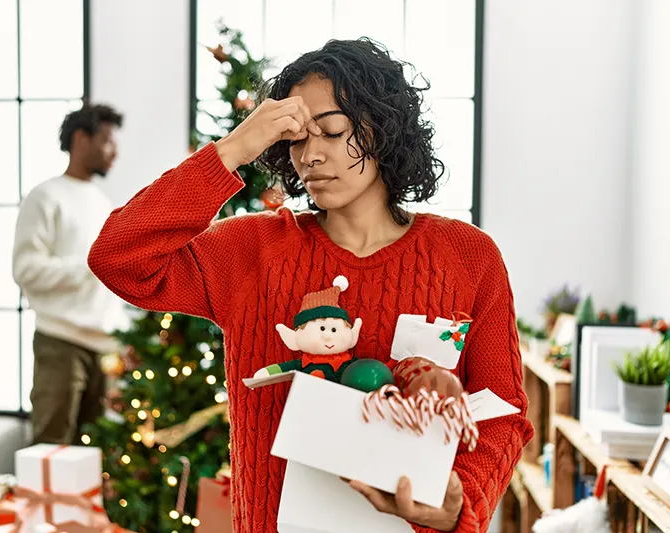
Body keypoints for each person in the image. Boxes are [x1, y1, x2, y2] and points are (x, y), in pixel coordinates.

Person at [88, 39, 533, 532]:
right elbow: (118, 257)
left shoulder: (469, 258)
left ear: (384, 127)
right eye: (297, 140)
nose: (311, 156)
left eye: (332, 130)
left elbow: (503, 415)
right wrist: (233, 149)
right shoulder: (252, 250)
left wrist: (460, 503)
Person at [13, 103, 129, 445]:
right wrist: (89, 266)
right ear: (81, 139)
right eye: (108, 141)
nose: (115, 151)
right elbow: (25, 269)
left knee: (95, 455)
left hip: (105, 349)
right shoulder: (45, 197)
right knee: (52, 448)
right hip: (61, 343)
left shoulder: (103, 202)